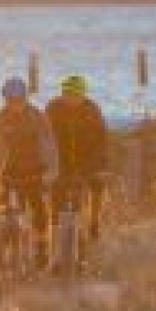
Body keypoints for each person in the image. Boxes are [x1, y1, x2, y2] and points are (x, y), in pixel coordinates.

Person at [0, 77, 60, 269]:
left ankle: (42, 247)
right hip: (10, 170)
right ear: (5, 99)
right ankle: (5, 246)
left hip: (36, 170)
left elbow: (49, 145)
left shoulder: (37, 117)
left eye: (19, 100)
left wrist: (52, 170)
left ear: (26, 98)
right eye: (10, 100)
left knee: (39, 213)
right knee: (6, 209)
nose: (15, 104)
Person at [44, 75, 111, 243]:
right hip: (60, 160)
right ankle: (55, 249)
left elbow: (101, 139)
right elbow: (43, 137)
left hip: (87, 159)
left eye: (77, 95)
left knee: (97, 185)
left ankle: (94, 221)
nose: (72, 98)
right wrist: (44, 163)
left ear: (83, 95)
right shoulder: (53, 108)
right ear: (62, 93)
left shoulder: (92, 109)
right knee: (55, 205)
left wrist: (101, 165)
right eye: (68, 94)